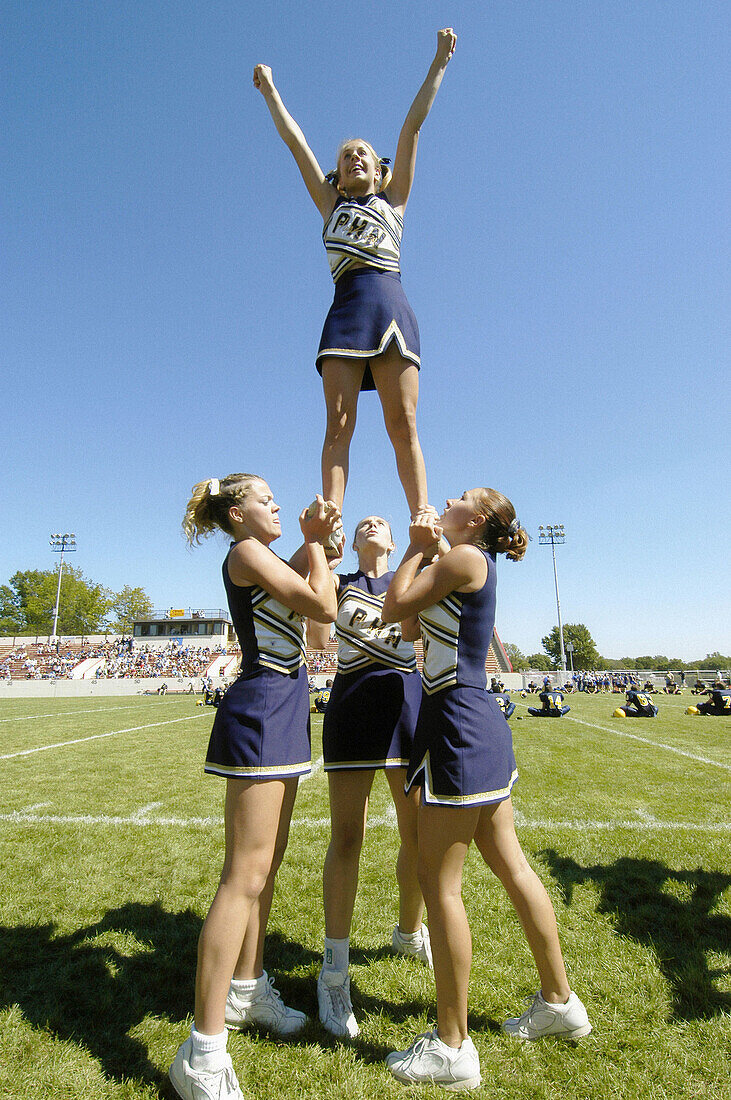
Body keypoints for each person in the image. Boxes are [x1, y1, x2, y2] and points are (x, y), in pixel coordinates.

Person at [380, 490, 591, 1089]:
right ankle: (559, 1003)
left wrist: (416, 550)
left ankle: (452, 1046)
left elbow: (397, 606)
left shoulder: (464, 559)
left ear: (476, 520)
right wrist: (429, 551)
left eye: (462, 498)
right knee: (511, 865)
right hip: (472, 721)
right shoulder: (465, 560)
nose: (447, 498)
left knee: (437, 881)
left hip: (458, 725)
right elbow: (420, 621)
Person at [170, 474, 339, 1100]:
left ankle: (248, 989)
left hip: (288, 708)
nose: (276, 504)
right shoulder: (244, 553)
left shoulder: (266, 557)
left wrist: (317, 541)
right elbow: (321, 609)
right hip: (263, 709)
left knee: (265, 871)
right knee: (242, 875)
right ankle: (203, 1051)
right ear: (238, 514)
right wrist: (317, 540)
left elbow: (311, 590)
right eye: (266, 500)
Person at [252, 30, 457, 525]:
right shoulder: (330, 208)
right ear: (338, 177)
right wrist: (271, 93)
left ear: (381, 171)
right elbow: (296, 144)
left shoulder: (395, 203)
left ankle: (421, 516)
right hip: (346, 312)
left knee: (402, 422)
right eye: (346, 157)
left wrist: (439, 63)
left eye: (364, 153)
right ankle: (331, 521)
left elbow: (411, 128)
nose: (356, 158)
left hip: (391, 308)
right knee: (338, 424)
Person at [307, 515, 430, 1038]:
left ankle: (410, 931)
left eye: (380, 522)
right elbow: (316, 634)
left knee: (418, 834)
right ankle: (334, 969)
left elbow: (420, 631)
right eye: (363, 523)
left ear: (395, 541)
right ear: (354, 542)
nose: (372, 524)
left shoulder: (415, 574)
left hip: (406, 703)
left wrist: (424, 555)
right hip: (353, 702)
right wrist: (321, 564)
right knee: (347, 836)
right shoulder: (338, 582)